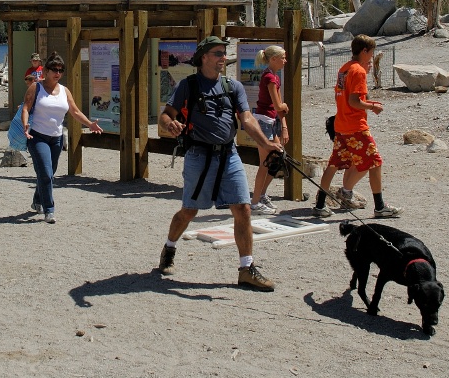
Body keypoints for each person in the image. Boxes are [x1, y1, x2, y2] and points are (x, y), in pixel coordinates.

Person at [157, 36, 283, 291]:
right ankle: (169, 247)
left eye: (224, 53)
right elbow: (165, 115)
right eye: (218, 53)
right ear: (204, 57)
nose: (223, 57)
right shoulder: (188, 85)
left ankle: (246, 269)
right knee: (189, 211)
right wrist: (169, 124)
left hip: (229, 155)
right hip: (198, 156)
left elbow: (246, 119)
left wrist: (266, 143)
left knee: (243, 209)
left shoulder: (232, 86)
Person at [313, 34, 402, 219]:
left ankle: (320, 204)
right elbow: (354, 101)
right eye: (371, 52)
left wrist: (367, 102)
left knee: (333, 164)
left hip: (341, 124)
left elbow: (345, 97)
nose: (371, 56)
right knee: (375, 162)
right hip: (356, 126)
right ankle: (380, 206)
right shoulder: (359, 71)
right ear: (365, 51)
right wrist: (372, 107)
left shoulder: (344, 69)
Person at [21, 52, 102, 224]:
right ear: (47, 70)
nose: (58, 73)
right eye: (54, 69)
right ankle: (49, 210)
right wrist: (25, 125)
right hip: (37, 137)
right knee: (45, 173)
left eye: (61, 70)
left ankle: (37, 200)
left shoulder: (65, 91)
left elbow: (75, 111)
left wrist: (89, 124)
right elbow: (26, 108)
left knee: (48, 174)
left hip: (56, 139)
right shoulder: (36, 87)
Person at [249, 45, 290, 215]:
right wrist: (285, 106)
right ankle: (255, 202)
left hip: (271, 121)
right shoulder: (269, 78)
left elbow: (278, 108)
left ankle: (262, 194)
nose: (285, 61)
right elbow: (278, 104)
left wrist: (284, 126)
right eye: (283, 57)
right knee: (265, 163)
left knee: (278, 159)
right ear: (273, 59)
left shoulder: (274, 76)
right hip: (264, 121)